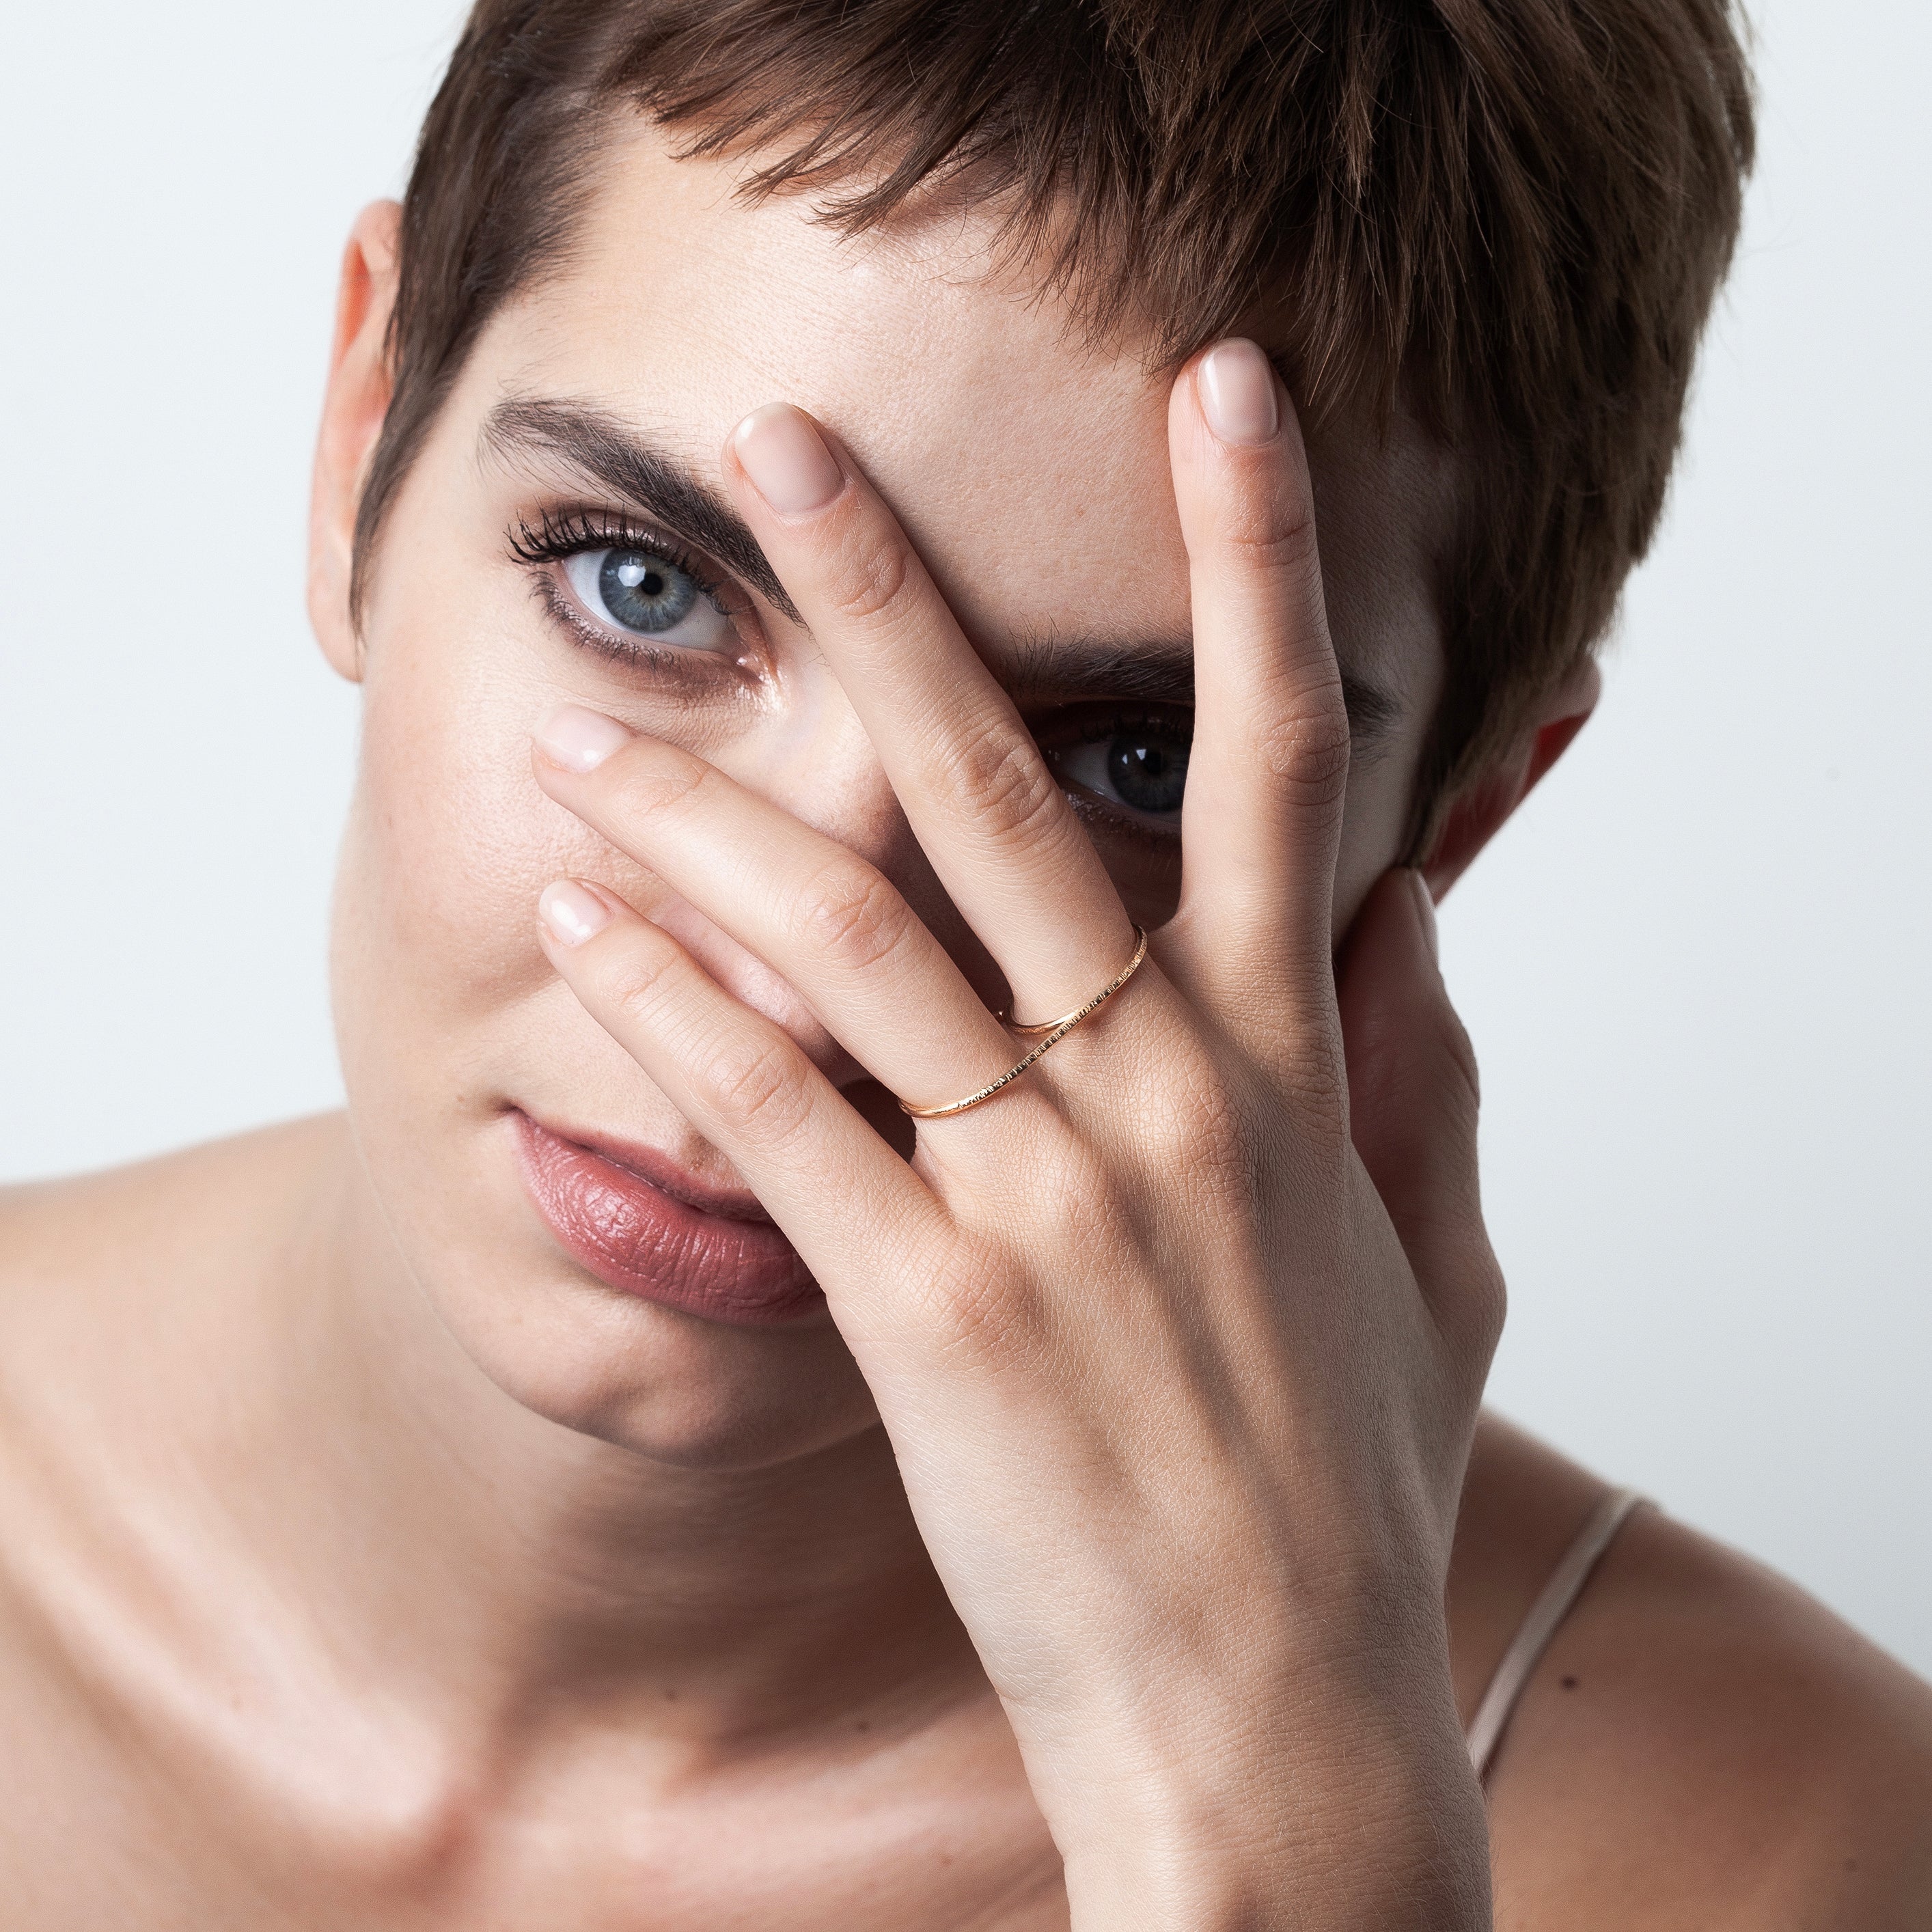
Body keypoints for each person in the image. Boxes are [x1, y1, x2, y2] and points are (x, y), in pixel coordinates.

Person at [2, 0, 1927, 1922]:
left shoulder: (1784, 1857)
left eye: (1130, 763)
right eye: (639, 584)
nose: (779, 998)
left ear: (1451, 819)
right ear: (365, 436)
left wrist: (1281, 1826)